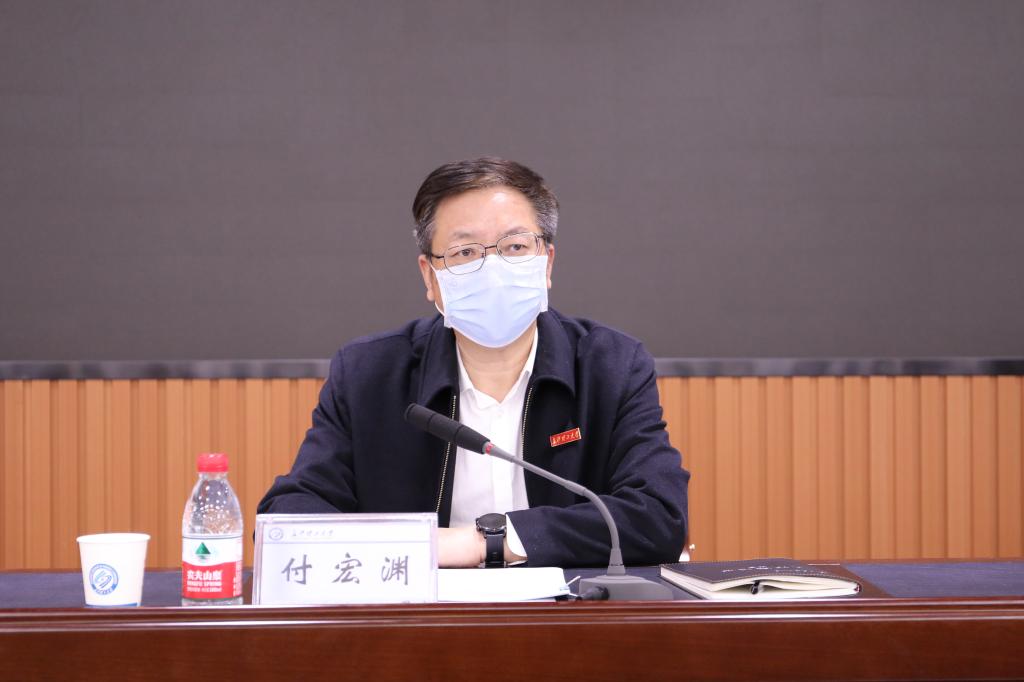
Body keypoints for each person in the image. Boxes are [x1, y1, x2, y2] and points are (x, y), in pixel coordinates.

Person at [257, 157, 689, 568]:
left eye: (515, 246)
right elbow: (288, 519)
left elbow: (658, 516)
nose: (493, 269)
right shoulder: (369, 374)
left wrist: (486, 541)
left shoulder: (610, 366)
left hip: (567, 612)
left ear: (547, 263)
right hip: (422, 614)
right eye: (465, 252)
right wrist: (404, 549)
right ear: (430, 277)